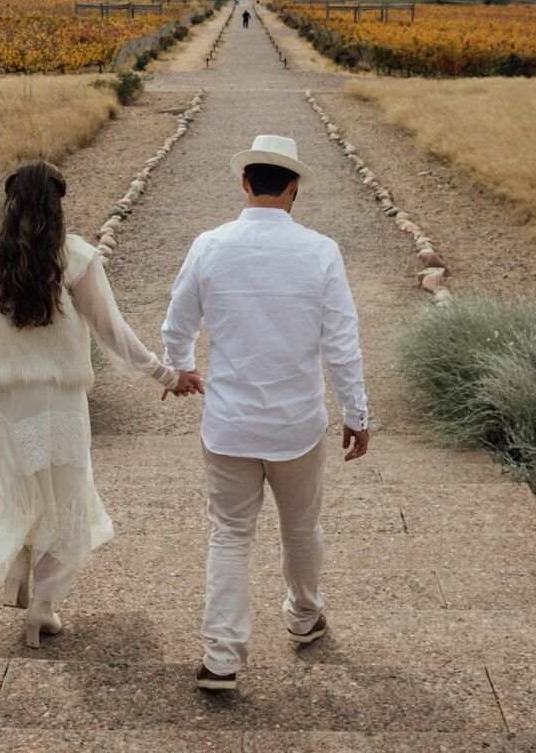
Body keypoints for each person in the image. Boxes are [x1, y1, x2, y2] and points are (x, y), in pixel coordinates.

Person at [0, 160, 202, 648]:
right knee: (65, 496)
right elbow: (112, 332)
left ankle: (17, 568)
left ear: (10, 203)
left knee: (18, 491)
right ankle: (42, 607)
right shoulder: (76, 257)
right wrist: (165, 373)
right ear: (57, 205)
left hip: (6, 400)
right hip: (61, 398)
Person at [161, 134, 369, 692]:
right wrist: (357, 412)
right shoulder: (321, 251)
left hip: (228, 423)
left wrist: (181, 371)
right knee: (300, 527)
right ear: (294, 187)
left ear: (245, 182)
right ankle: (303, 617)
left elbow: (176, 325)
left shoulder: (209, 245)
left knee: (230, 534)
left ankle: (221, 659)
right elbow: (341, 345)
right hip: (298, 425)